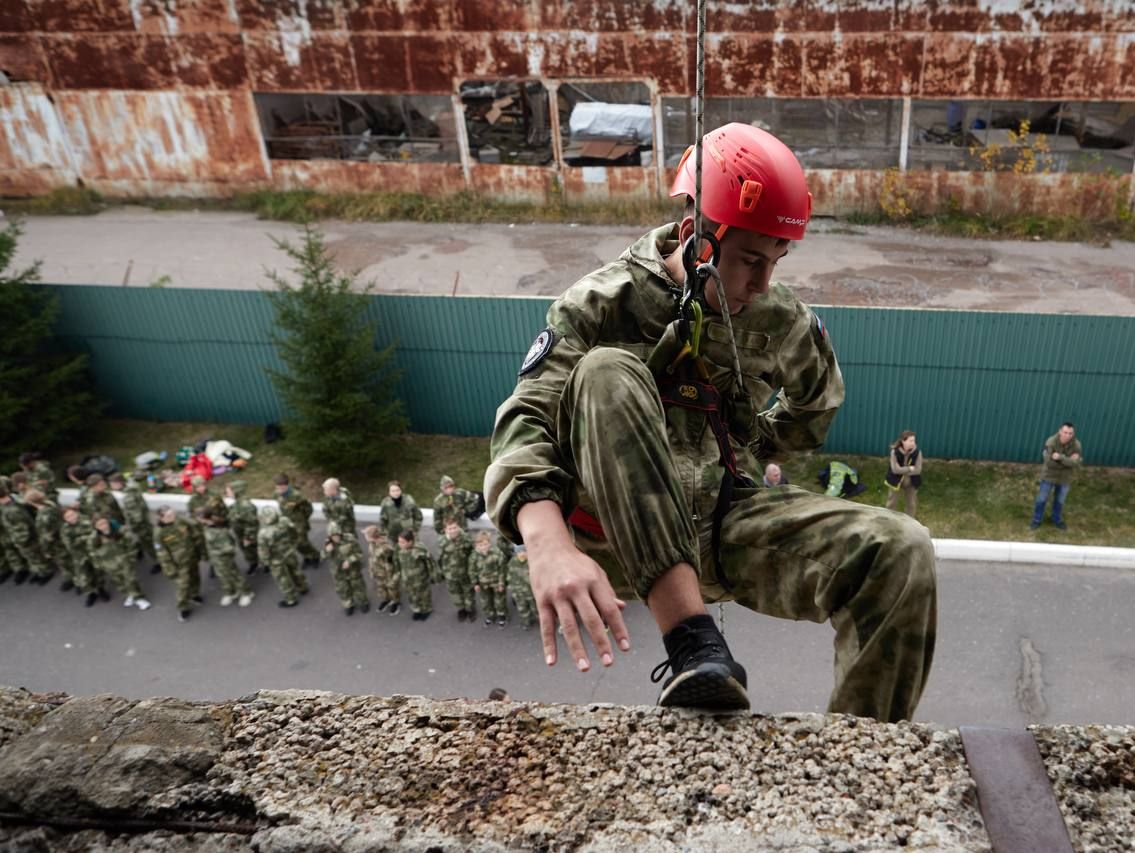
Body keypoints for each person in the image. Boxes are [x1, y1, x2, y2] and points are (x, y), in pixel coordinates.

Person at [484, 123, 936, 720]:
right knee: (606, 372)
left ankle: (865, 758)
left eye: (777, 259)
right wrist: (546, 543)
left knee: (902, 549)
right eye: (750, 259)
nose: (762, 283)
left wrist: (752, 439)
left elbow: (816, 406)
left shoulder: (778, 320)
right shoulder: (602, 303)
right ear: (701, 240)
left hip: (722, 525)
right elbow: (525, 423)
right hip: (614, 536)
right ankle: (692, 643)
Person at [87, 515, 150, 610]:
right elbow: (93, 554)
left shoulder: (119, 531)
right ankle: (129, 595)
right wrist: (100, 565)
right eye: (99, 524)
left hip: (125, 561)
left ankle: (139, 598)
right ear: (95, 527)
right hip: (110, 565)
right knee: (119, 582)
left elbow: (131, 545)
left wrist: (131, 558)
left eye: (104, 522)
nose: (103, 526)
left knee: (131, 581)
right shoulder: (94, 538)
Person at [1030, 421, 1082, 530]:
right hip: (1049, 475)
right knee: (1041, 499)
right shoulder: (1051, 442)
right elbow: (1048, 462)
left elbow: (1076, 463)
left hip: (1065, 478)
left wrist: (1060, 458)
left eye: (1070, 433)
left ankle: (1056, 519)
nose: (1068, 435)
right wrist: (1068, 461)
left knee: (1060, 501)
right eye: (1065, 432)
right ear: (1060, 431)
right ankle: (1036, 520)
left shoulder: (1077, 445)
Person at [154, 505, 203, 621]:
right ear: (162, 518)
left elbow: (193, 529)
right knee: (183, 586)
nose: (173, 517)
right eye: (169, 516)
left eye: (173, 514)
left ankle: (194, 595)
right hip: (179, 564)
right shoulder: (159, 533)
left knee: (196, 577)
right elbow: (162, 554)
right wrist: (169, 569)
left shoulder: (179, 520)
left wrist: (198, 550)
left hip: (191, 556)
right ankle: (183, 608)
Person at [201, 507, 254, 609]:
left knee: (234, 574)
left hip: (224, 558)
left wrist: (215, 552)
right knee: (223, 576)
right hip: (215, 559)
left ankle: (246, 593)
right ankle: (231, 592)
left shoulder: (220, 530)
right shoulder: (206, 527)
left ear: (205, 518)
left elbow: (230, 548)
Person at [257, 504, 309, 607]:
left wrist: (265, 561)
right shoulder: (284, 521)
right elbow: (294, 532)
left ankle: (291, 599)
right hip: (289, 551)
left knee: (282, 578)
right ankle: (303, 587)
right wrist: (293, 544)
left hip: (276, 559)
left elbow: (263, 550)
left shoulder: (263, 533)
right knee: (295, 570)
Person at [0, 482, 51, 585]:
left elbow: (23, 529)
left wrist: (20, 542)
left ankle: (45, 573)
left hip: (25, 538)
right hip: (21, 537)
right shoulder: (8, 505)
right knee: (31, 557)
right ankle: (38, 571)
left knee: (34, 556)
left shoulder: (12, 510)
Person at [111, 472, 160, 572]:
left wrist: (132, 528)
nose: (111, 486)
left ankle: (159, 562)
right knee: (150, 542)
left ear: (119, 483)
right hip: (145, 521)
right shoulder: (132, 489)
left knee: (149, 545)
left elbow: (136, 516)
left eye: (112, 484)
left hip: (142, 526)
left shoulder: (128, 497)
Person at [60, 504, 106, 606]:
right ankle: (91, 594)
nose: (72, 518)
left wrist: (79, 539)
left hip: (92, 552)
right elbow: (70, 545)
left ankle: (101, 590)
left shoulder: (86, 520)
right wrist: (84, 538)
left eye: (72, 514)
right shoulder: (65, 529)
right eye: (68, 517)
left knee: (97, 572)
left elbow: (94, 534)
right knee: (84, 576)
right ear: (64, 520)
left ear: (76, 512)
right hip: (79, 556)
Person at [25, 489, 69, 590]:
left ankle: (71, 579)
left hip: (57, 542)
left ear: (31, 502)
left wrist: (46, 551)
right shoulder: (50, 504)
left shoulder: (43, 516)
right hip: (63, 534)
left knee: (64, 562)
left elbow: (46, 537)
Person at [324, 520, 369, 616]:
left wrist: (350, 560)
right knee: (343, 590)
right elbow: (322, 557)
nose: (335, 538)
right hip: (338, 573)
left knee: (358, 586)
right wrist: (327, 551)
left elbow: (359, 554)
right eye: (332, 536)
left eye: (336, 535)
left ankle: (363, 602)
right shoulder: (328, 543)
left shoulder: (350, 539)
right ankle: (348, 605)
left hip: (353, 571)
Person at [274, 473, 320, 567]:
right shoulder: (276, 494)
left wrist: (303, 519)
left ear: (286, 485)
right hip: (287, 522)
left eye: (281, 488)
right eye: (277, 487)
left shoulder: (296, 496)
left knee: (303, 542)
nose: (279, 490)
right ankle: (307, 557)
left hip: (299, 523)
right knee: (295, 543)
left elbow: (308, 509)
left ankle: (315, 556)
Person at [438, 518, 475, 622]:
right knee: (455, 593)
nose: (453, 530)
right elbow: (440, 558)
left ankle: (470, 610)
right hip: (450, 574)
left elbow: (472, 554)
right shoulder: (442, 541)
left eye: (455, 527)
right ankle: (461, 610)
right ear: (445, 530)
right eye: (450, 528)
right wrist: (440, 573)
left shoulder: (466, 538)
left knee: (468, 592)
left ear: (459, 527)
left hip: (465, 572)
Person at [395, 528, 436, 622]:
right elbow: (397, 562)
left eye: (403, 542)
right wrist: (398, 574)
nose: (400, 544)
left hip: (420, 579)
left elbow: (430, 562)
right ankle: (417, 609)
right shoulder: (399, 549)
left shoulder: (419, 549)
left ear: (410, 542)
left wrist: (434, 575)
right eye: (399, 541)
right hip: (407, 579)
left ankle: (426, 610)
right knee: (412, 595)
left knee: (424, 595)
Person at [470, 530, 508, 628]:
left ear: (490, 543)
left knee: (499, 600)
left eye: (485, 544)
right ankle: (490, 616)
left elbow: (502, 570)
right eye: (480, 545)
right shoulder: (474, 556)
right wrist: (475, 584)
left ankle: (501, 616)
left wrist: (501, 584)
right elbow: (472, 570)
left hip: (496, 583)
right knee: (486, 601)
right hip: (483, 584)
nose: (483, 547)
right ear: (476, 545)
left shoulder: (497, 553)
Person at [225, 481, 261, 574]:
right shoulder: (237, 503)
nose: (227, 493)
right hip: (240, 534)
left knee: (255, 549)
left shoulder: (245, 506)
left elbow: (252, 523)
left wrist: (248, 538)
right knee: (247, 551)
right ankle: (253, 563)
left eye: (229, 491)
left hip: (248, 535)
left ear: (237, 491)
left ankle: (265, 564)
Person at [364, 525, 400, 616]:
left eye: (366, 535)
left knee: (392, 588)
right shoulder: (372, 544)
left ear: (372, 536)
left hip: (387, 573)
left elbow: (393, 559)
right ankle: (386, 600)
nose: (365, 537)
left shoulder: (385, 547)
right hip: (377, 572)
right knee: (381, 588)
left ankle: (395, 602)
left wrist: (392, 574)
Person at [885, 431, 923, 518]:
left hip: (911, 481)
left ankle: (909, 520)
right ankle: (889, 518)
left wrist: (902, 470)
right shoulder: (894, 452)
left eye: (914, 441)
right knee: (891, 502)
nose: (913, 443)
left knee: (911, 503)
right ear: (903, 441)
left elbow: (918, 470)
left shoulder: (917, 452)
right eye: (910, 441)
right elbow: (895, 470)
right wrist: (909, 468)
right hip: (895, 480)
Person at [507, 544, 538, 629]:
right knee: (522, 608)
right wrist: (511, 588)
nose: (522, 554)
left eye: (524, 551)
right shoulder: (512, 562)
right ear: (516, 553)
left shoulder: (532, 562)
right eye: (519, 551)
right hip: (519, 592)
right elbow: (510, 575)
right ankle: (526, 622)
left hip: (531, 592)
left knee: (536, 608)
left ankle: (541, 622)